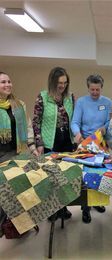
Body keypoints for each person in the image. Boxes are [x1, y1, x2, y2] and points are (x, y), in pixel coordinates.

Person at [32, 67, 75, 220]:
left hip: (67, 141)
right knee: (51, 176)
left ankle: (63, 207)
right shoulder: (43, 96)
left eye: (64, 82)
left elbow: (74, 119)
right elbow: (36, 121)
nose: (62, 86)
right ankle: (51, 209)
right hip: (50, 141)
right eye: (59, 83)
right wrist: (39, 143)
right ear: (52, 82)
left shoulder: (70, 97)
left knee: (65, 175)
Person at [0, 71, 38, 236]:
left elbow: (28, 128)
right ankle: (2, 225)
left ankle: (20, 225)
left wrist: (33, 147)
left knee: (22, 191)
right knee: (3, 193)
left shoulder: (19, 104)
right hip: (1, 156)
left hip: (18, 153)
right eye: (3, 82)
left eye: (9, 81)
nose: (8, 84)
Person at [71, 74, 112, 223]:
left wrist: (104, 127)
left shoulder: (107, 102)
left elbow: (109, 121)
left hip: (101, 143)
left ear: (102, 88)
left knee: (102, 175)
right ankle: (85, 208)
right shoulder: (81, 102)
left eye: (97, 90)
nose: (95, 92)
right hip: (85, 143)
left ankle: (98, 202)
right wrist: (77, 133)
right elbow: (75, 122)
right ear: (88, 88)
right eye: (92, 89)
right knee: (87, 178)